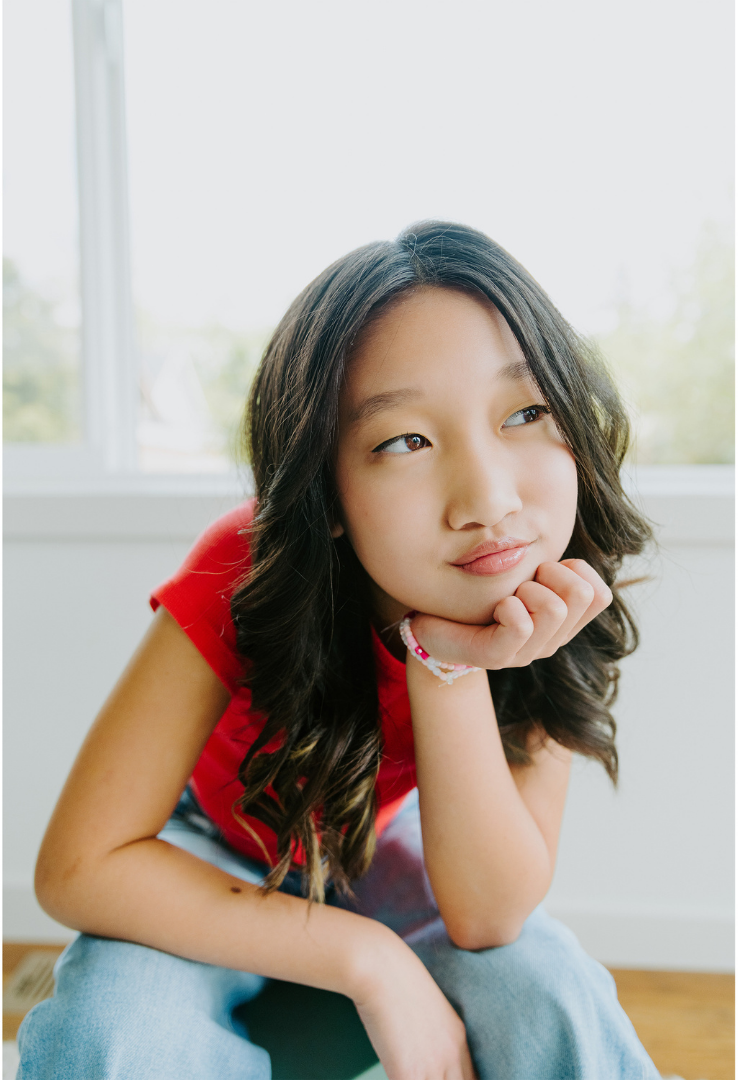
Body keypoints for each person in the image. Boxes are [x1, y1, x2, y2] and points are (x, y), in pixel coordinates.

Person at [18, 221, 661, 1079]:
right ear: (324, 491)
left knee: (548, 988)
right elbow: (80, 865)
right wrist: (370, 962)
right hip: (204, 842)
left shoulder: (547, 601)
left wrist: (449, 667)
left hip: (368, 846)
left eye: (526, 412)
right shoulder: (242, 569)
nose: (488, 498)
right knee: (115, 1030)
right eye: (405, 441)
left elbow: (488, 917)